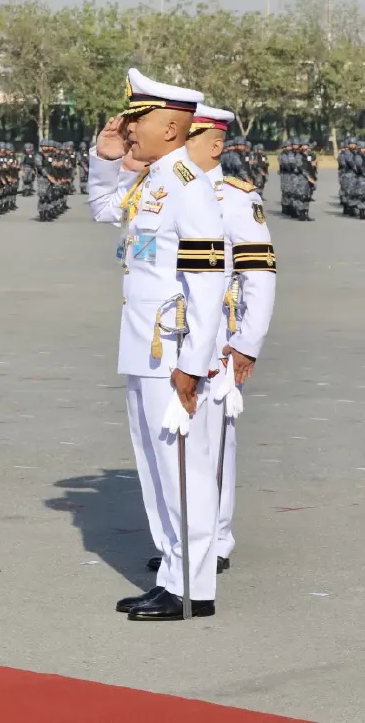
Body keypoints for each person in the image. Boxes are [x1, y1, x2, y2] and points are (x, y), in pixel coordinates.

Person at [88, 69, 226, 621]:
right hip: (145, 347)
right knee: (154, 466)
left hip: (172, 353)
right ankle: (173, 574)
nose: (128, 127)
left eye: (137, 119)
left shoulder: (189, 186)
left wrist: (192, 366)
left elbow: (210, 283)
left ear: (168, 127)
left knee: (181, 469)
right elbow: (104, 210)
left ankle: (193, 590)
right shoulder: (155, 182)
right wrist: (105, 159)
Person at [167, 103, 275, 575]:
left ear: (214, 144)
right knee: (176, 442)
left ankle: (217, 539)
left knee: (213, 443)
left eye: (185, 136)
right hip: (172, 335)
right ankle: (187, 541)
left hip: (219, 341)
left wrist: (248, 343)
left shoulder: (233, 199)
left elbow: (259, 276)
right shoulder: (168, 189)